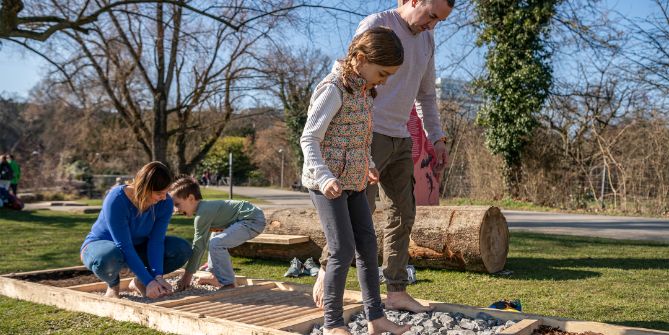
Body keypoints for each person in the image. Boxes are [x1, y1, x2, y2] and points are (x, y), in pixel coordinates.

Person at [313, 0, 455, 314]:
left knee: (402, 214)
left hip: (401, 136)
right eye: (431, 15)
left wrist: (437, 139)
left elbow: (427, 95)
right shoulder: (377, 23)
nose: (432, 25)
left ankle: (396, 290)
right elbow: (349, 74)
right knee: (358, 206)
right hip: (367, 132)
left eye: (439, 21)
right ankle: (326, 271)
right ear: (414, 1)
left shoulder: (427, 40)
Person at [301, 27, 410, 335]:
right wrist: (324, 178)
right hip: (327, 184)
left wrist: (370, 164)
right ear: (361, 59)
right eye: (383, 72)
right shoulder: (333, 89)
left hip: (354, 181)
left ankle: (376, 319)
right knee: (342, 249)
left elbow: (357, 139)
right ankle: (333, 324)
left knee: (367, 245)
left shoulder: (362, 91)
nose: (384, 80)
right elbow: (309, 138)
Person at [80, 161, 192, 299]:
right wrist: (149, 281)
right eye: (159, 193)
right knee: (106, 257)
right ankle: (113, 285)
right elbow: (124, 246)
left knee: (182, 249)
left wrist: (157, 277)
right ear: (144, 188)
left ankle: (140, 281)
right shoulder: (116, 199)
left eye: (166, 192)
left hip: (138, 247)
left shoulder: (165, 203)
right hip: (103, 247)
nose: (164, 197)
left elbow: (156, 241)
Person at [169, 176, 267, 290]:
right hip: (248, 217)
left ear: (191, 198)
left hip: (251, 220)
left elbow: (198, 247)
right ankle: (215, 276)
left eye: (177, 204)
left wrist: (187, 276)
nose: (176, 210)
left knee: (216, 243)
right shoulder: (204, 210)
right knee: (214, 238)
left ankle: (229, 283)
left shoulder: (202, 215)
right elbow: (202, 243)